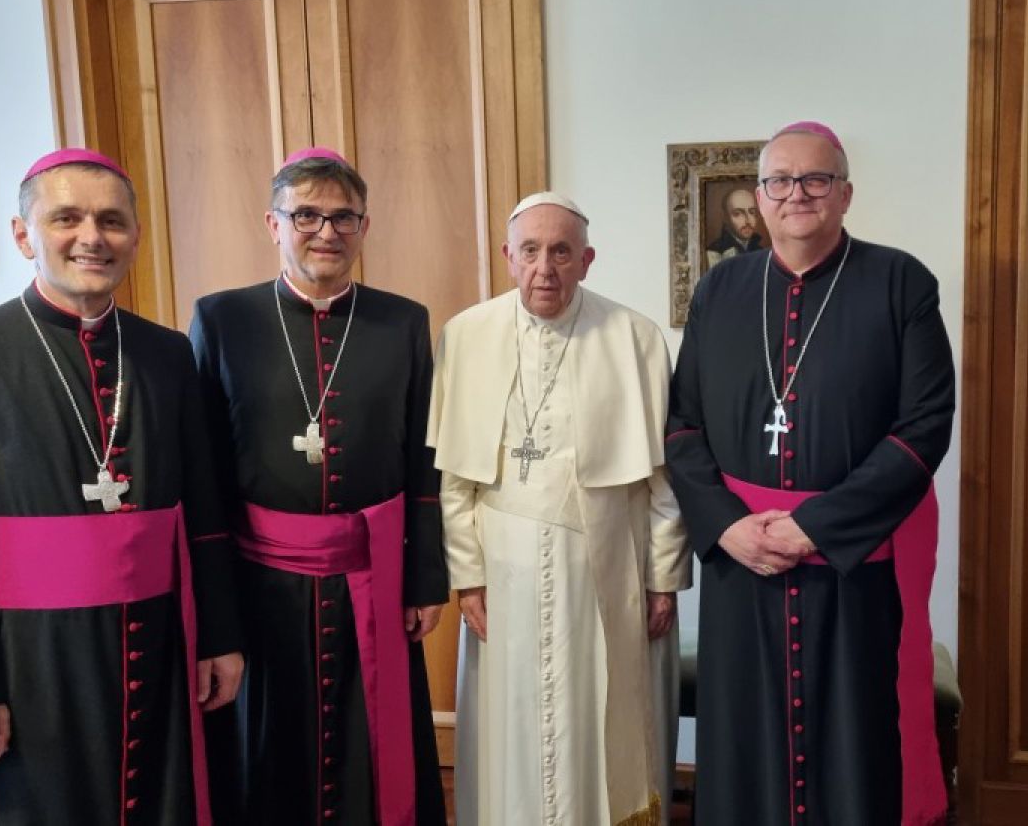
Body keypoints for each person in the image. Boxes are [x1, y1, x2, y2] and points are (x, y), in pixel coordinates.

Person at [0, 148, 244, 826]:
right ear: (24, 234)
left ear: (135, 237)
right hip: (28, 659)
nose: (92, 236)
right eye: (67, 218)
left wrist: (218, 636)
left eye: (112, 220)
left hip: (158, 645)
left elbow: (203, 513)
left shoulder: (167, 352)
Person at [666, 121, 955, 826]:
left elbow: (923, 429)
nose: (797, 193)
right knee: (745, 746)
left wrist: (814, 527)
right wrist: (727, 527)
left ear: (845, 193)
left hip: (853, 568)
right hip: (744, 563)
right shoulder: (719, 290)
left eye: (816, 179)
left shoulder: (900, 283)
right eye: (780, 181)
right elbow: (682, 428)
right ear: (760, 196)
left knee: (855, 744)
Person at [189, 147, 448, 826]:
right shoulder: (222, 319)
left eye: (343, 217)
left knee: (372, 744)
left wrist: (425, 579)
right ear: (273, 224)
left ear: (364, 227)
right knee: (269, 750)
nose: (326, 231)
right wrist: (216, 607)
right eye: (306, 215)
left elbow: (423, 461)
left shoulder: (403, 321)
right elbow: (204, 473)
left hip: (372, 572)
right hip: (260, 582)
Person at [428, 192, 690, 826]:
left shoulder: (635, 337)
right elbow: (454, 480)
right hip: (504, 572)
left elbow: (663, 479)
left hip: (605, 566)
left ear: (587, 260)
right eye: (531, 251)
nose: (544, 268)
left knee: (599, 713)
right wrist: (467, 575)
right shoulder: (465, 335)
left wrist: (662, 577)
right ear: (508, 257)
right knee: (512, 718)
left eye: (561, 252)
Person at [705, 187, 763, 267]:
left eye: (752, 212)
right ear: (725, 218)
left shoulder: (760, 251)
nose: (748, 221)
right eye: (737, 214)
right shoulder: (714, 253)